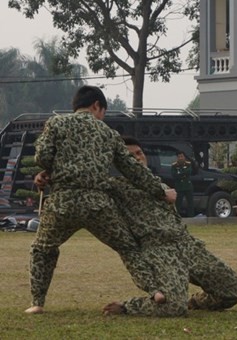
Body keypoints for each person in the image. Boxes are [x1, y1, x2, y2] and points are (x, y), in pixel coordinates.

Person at [25, 86, 171, 314]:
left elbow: (42, 157)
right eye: (103, 111)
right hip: (98, 204)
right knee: (128, 248)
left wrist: (48, 171)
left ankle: (37, 302)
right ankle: (155, 291)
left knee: (43, 248)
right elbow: (134, 170)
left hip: (63, 202)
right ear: (96, 106)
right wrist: (161, 191)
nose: (102, 116)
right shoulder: (108, 134)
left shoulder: (57, 123)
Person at [102, 136, 237, 316]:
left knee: (235, 289)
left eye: (139, 153)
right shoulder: (115, 188)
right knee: (174, 308)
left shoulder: (160, 185)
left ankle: (195, 301)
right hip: (159, 249)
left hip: (186, 243)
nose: (138, 158)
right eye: (130, 156)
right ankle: (127, 307)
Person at [171, 151, 194, 217]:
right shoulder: (174, 165)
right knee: (178, 204)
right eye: (179, 157)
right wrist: (183, 174)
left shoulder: (188, 164)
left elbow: (188, 172)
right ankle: (177, 217)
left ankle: (191, 217)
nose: (180, 158)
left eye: (182, 156)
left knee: (190, 203)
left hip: (188, 186)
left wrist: (180, 173)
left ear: (184, 157)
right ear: (177, 158)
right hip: (179, 187)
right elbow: (174, 175)